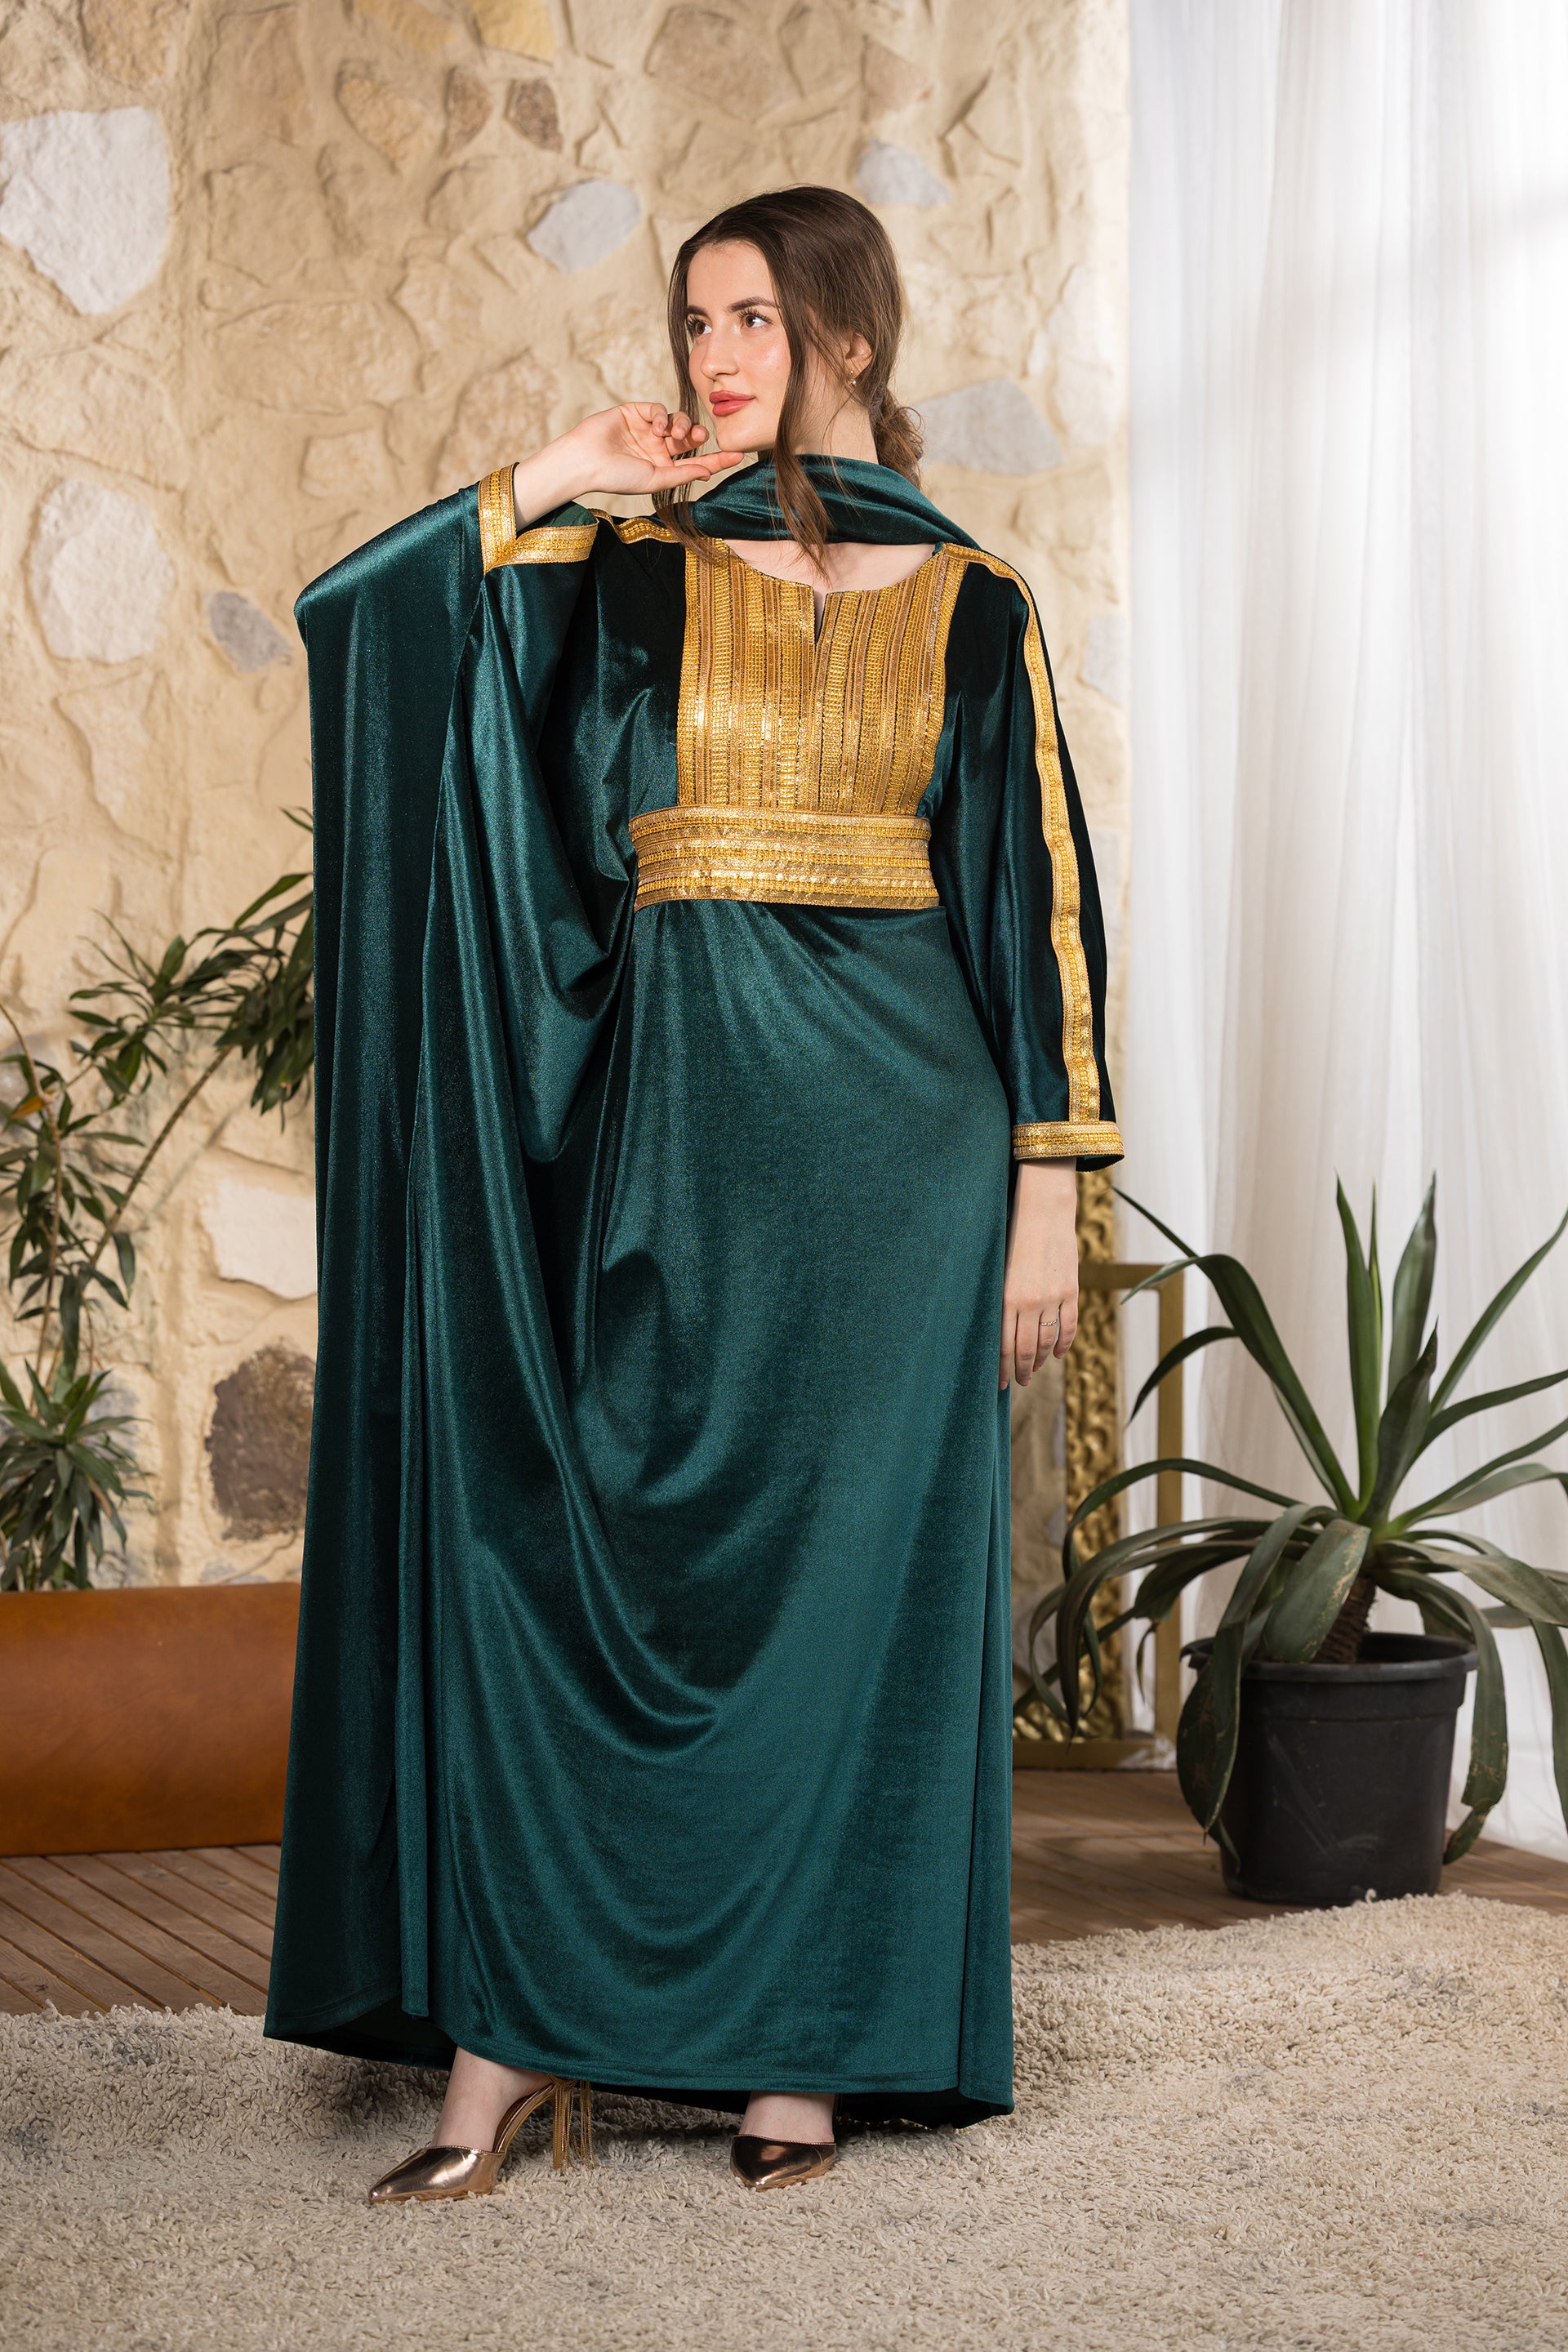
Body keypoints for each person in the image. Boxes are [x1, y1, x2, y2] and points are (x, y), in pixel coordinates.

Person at [262, 185, 1122, 2201]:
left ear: (848, 334)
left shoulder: (976, 602)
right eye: (692, 325)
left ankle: (797, 2053)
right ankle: (506, 2039)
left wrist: (1046, 1202)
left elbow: (1040, 920)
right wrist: (564, 471)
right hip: (673, 1141)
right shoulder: (627, 574)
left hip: (902, 1168)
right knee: (591, 1556)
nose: (715, 359)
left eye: (751, 318)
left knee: (850, 1601)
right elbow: (365, 619)